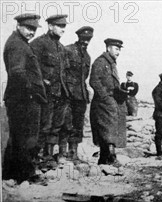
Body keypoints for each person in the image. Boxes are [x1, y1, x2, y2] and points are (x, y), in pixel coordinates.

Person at [2, 13, 48, 185]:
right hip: (24, 100)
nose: (31, 32)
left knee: (18, 137)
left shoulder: (19, 43)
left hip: (19, 99)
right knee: (27, 138)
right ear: (19, 26)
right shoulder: (17, 45)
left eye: (34, 29)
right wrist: (32, 92)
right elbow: (18, 73)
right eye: (29, 28)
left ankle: (10, 175)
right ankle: (26, 175)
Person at [30, 14, 71, 165]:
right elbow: (31, 68)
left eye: (64, 26)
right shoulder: (38, 44)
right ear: (50, 26)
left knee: (56, 126)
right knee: (43, 126)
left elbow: (64, 72)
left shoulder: (61, 48)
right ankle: (34, 159)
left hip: (59, 94)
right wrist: (42, 82)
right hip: (44, 94)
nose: (63, 29)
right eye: (60, 26)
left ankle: (47, 156)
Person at [89, 38, 128, 165]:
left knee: (108, 129)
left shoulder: (111, 63)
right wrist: (105, 97)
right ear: (108, 48)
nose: (118, 52)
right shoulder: (100, 62)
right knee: (108, 129)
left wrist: (121, 91)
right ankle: (111, 157)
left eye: (119, 49)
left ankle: (103, 159)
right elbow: (94, 81)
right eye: (116, 49)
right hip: (102, 102)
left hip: (110, 101)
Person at [64, 26, 93, 162]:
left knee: (78, 124)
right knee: (66, 123)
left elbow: (84, 77)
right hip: (68, 94)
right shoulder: (68, 50)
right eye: (83, 39)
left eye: (88, 39)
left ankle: (73, 153)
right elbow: (62, 72)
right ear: (78, 37)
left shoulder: (87, 57)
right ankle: (61, 154)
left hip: (81, 95)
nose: (86, 42)